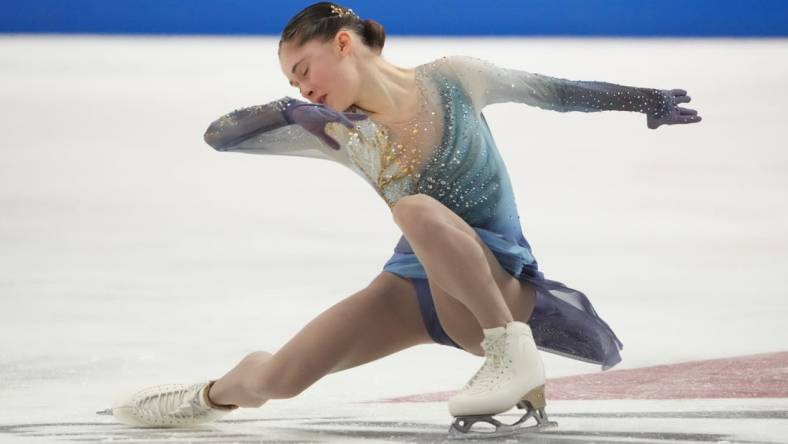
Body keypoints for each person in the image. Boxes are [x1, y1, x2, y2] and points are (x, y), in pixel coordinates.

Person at [106, 2, 701, 438]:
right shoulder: (338, 131)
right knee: (279, 381)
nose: (304, 88)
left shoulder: (453, 78)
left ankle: (509, 350)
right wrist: (288, 110)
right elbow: (219, 137)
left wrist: (640, 98)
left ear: (344, 43)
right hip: (411, 288)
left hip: (495, 288)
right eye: (293, 82)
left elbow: (557, 91)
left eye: (305, 71)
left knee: (414, 206)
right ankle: (205, 395)